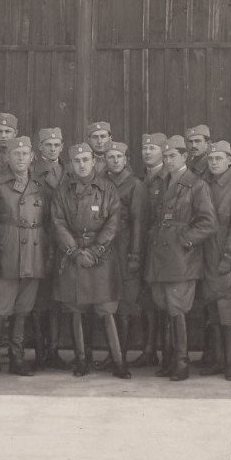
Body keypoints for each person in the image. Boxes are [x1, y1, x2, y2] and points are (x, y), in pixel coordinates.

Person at [143, 135, 216, 381]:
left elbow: (208, 223)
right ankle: (168, 357)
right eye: (165, 156)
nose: (168, 160)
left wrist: (185, 240)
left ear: (185, 156)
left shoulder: (196, 184)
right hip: (160, 256)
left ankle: (181, 362)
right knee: (163, 306)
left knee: (177, 309)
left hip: (181, 258)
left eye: (173, 155)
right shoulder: (161, 182)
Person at [51, 143, 127, 378]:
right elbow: (58, 222)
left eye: (86, 160)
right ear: (71, 164)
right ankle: (81, 360)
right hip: (73, 255)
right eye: (77, 161)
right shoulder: (62, 191)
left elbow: (113, 223)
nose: (82, 164)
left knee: (106, 308)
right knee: (76, 307)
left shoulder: (108, 189)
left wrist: (95, 251)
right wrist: (74, 251)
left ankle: (118, 361)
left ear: (94, 162)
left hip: (101, 257)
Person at [0, 136, 51, 379]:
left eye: (25, 154)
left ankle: (17, 358)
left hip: (32, 254)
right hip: (7, 252)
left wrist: (46, 257)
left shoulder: (40, 186)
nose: (21, 158)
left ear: (32, 157)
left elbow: (49, 225)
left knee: (23, 310)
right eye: (16, 154)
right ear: (7, 157)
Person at [198, 141, 231, 381]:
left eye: (219, 159)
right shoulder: (205, 184)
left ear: (230, 160)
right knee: (213, 311)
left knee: (227, 311)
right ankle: (219, 360)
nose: (214, 163)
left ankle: (230, 363)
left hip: (225, 258)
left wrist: (230, 255)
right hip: (206, 257)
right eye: (211, 159)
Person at [104, 141, 149, 368]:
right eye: (110, 157)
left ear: (126, 159)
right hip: (105, 248)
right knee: (107, 298)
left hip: (125, 247)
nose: (114, 160)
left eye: (118, 157)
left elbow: (139, 222)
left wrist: (135, 254)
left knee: (125, 301)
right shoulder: (101, 182)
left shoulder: (134, 185)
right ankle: (111, 352)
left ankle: (121, 355)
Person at [30, 127, 69, 369]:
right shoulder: (33, 172)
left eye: (56, 145)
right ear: (39, 148)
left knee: (57, 297)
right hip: (40, 239)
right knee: (38, 298)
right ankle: (39, 351)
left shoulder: (69, 171)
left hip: (64, 241)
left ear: (62, 146)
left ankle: (54, 348)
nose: (52, 149)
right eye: (47, 145)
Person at [130, 132, 168, 369]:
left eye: (152, 148)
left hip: (162, 247)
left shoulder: (168, 178)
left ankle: (166, 351)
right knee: (146, 302)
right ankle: (149, 349)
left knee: (163, 302)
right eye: (144, 148)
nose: (147, 152)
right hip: (143, 246)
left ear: (163, 151)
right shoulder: (142, 179)